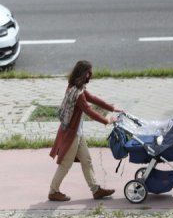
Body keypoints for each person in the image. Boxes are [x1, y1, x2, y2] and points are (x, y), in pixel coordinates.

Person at [48, 60, 122, 201]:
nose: (90, 75)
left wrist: (111, 108)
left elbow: (93, 99)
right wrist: (107, 120)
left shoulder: (76, 88)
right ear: (83, 74)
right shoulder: (77, 94)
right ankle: (53, 191)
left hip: (77, 134)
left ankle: (96, 190)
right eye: (89, 72)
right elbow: (89, 111)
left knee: (86, 160)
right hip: (71, 135)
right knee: (65, 164)